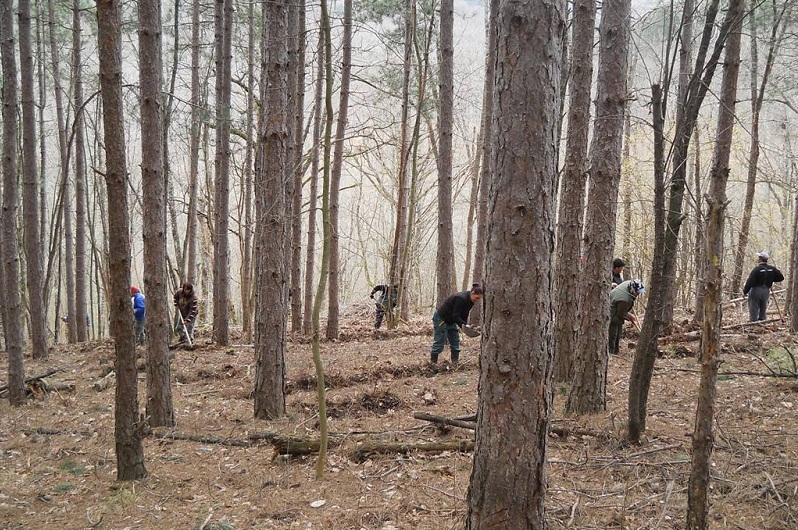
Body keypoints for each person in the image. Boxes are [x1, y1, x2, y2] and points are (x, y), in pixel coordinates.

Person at [430, 283, 484, 365]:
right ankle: (432, 364)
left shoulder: (471, 301)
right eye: (477, 298)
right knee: (440, 341)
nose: (477, 300)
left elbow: (464, 314)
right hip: (442, 319)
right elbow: (455, 315)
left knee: (455, 341)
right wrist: (463, 325)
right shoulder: (460, 298)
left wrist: (465, 325)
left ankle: (455, 364)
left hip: (451, 320)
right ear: (472, 293)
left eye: (479, 299)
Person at [743, 252, 784, 322]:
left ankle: (753, 322)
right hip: (766, 291)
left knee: (754, 307)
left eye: (759, 258)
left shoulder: (757, 269)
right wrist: (771, 280)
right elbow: (781, 277)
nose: (758, 259)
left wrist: (745, 291)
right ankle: (762, 321)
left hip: (756, 290)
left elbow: (750, 281)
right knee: (763, 307)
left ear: (761, 259)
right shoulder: (772, 269)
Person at [609, 279, 644, 355]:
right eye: (637, 292)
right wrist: (630, 317)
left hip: (617, 308)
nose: (638, 294)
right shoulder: (624, 299)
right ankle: (611, 353)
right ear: (632, 290)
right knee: (613, 335)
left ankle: (616, 351)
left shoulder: (628, 284)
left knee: (618, 334)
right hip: (611, 312)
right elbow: (620, 314)